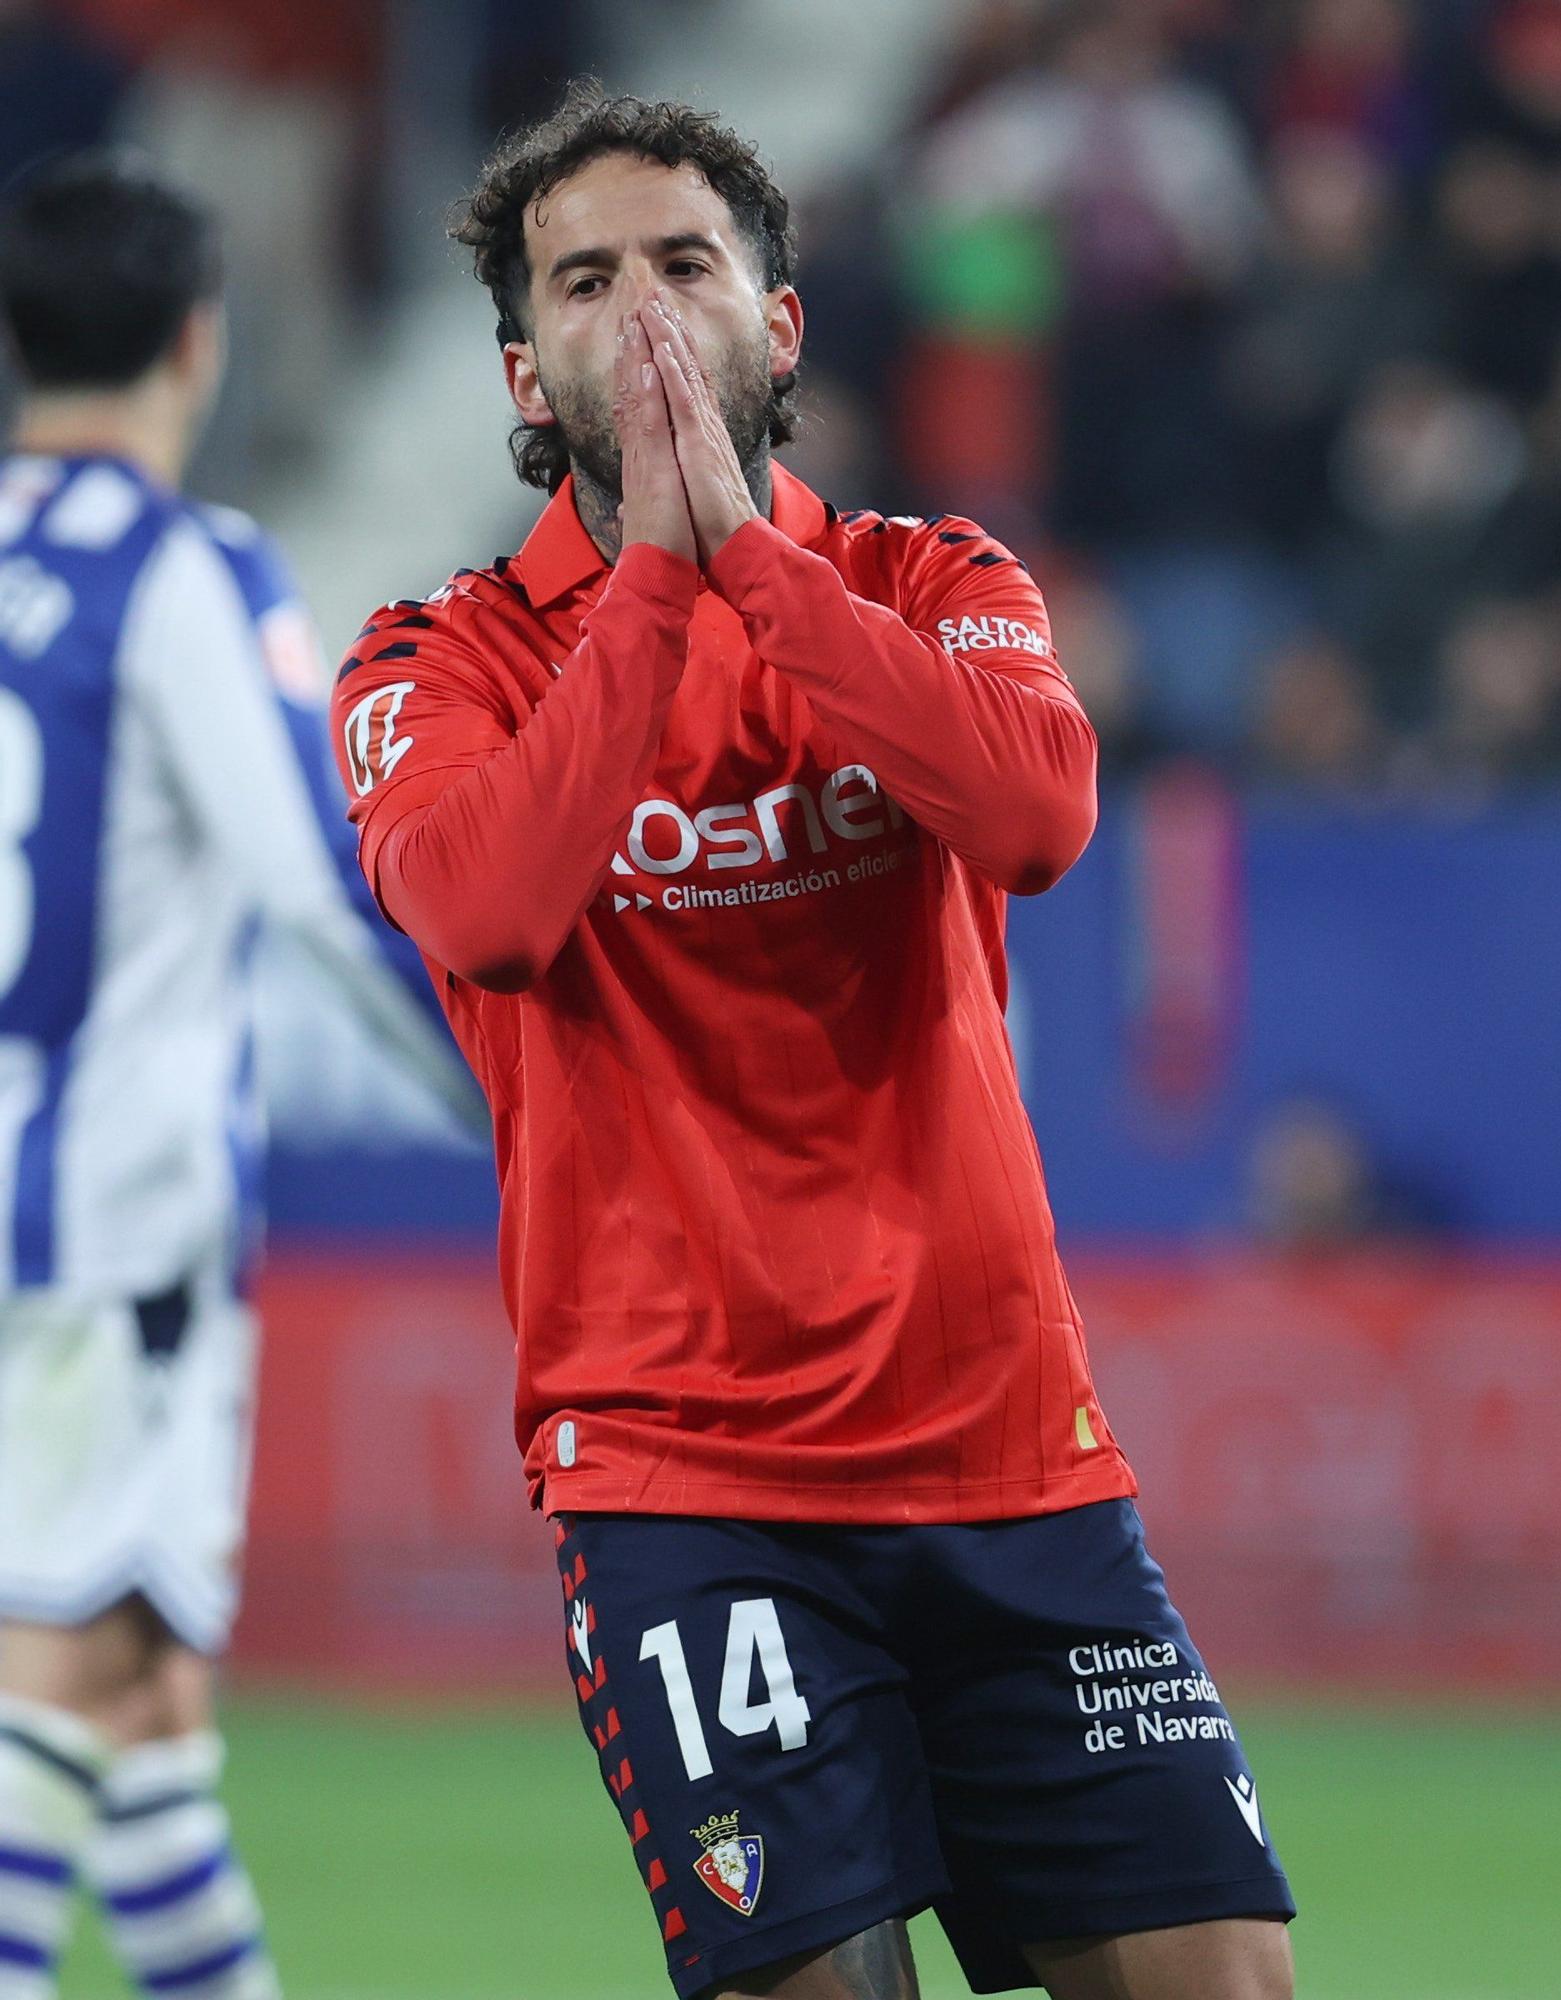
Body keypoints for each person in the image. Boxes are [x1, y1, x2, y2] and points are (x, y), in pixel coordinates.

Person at [331, 85, 1296, 2000]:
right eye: (586, 283)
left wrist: (756, 575)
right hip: (686, 1481)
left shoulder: (938, 581)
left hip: (1012, 1459)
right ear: (526, 374)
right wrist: (658, 585)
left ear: (776, 324)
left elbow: (1035, 816)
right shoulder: (436, 657)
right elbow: (487, 909)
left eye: (685, 264)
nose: (644, 313)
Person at [0, 151, 481, 1998]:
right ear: (199, 343)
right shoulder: (179, 569)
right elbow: (328, 885)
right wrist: (524, 1091)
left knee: (147, 1708)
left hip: (32, 1212)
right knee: (64, 1670)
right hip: (111, 1230)